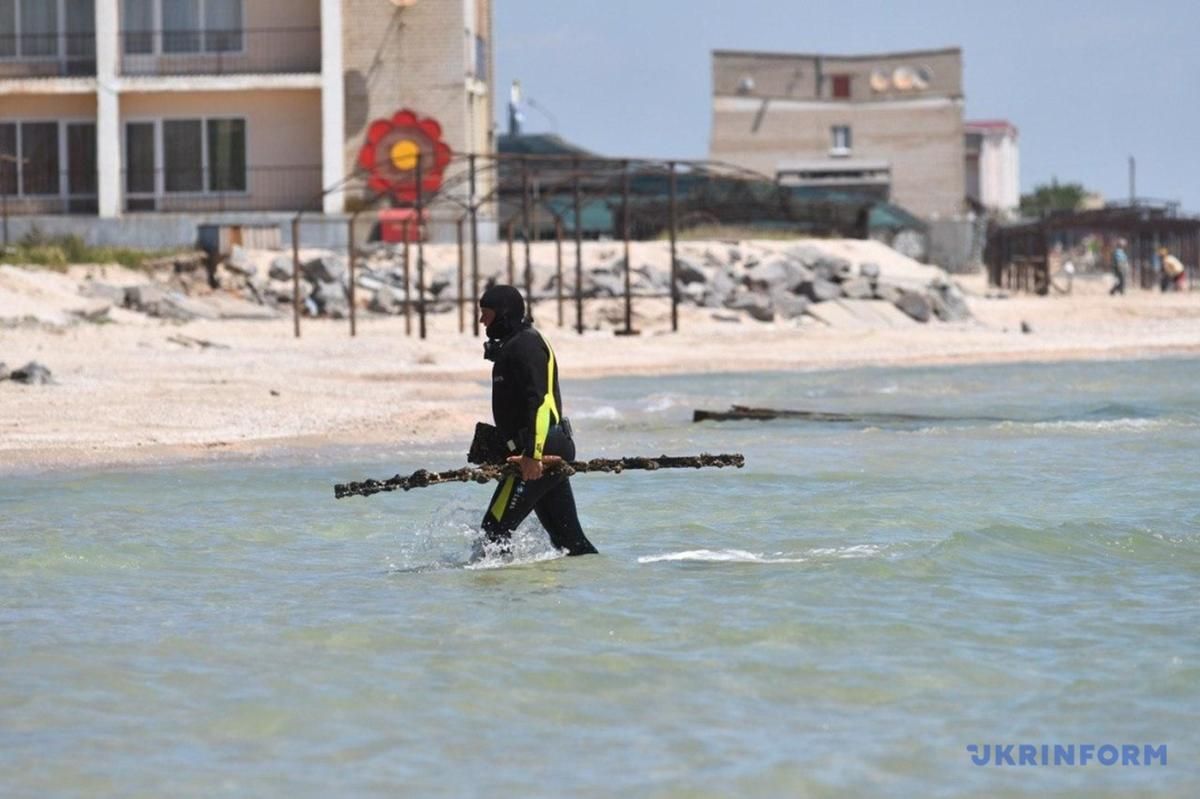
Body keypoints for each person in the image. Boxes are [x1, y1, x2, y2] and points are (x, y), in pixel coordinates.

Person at [475, 285, 597, 557]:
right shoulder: (514, 345)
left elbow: (539, 403)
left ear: (504, 314)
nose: (482, 321)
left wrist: (533, 454)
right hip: (544, 445)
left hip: (543, 448)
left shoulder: (527, 344)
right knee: (569, 541)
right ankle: (590, 588)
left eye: (486, 313)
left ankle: (498, 595)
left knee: (494, 530)